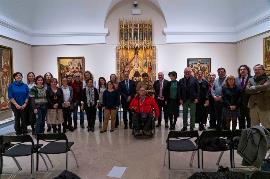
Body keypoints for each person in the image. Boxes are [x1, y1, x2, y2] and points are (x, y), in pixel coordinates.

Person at [246, 64, 270, 128]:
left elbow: (266, 87)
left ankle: (267, 138)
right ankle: (256, 138)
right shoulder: (251, 79)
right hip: (252, 105)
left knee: (266, 126)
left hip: (264, 105)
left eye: (259, 69)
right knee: (254, 127)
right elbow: (247, 90)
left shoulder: (268, 78)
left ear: (263, 70)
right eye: (255, 70)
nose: (257, 71)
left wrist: (253, 88)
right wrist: (259, 90)